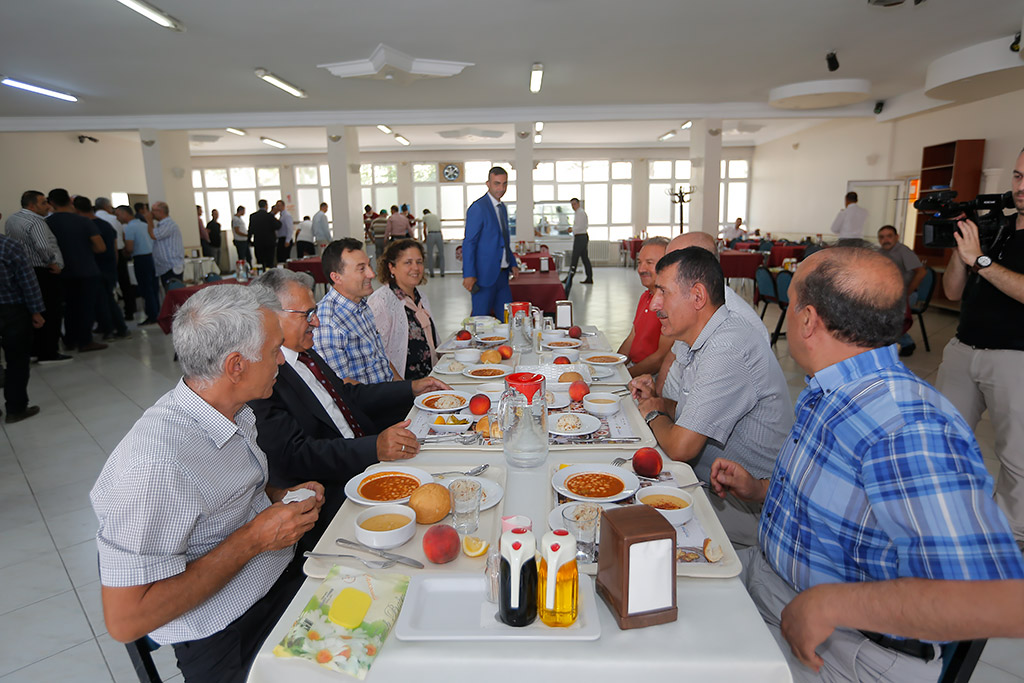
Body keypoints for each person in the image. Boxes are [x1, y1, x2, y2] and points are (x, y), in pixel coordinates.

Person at [710, 247, 1024, 681]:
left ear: (807, 320)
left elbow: (993, 600)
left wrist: (831, 604)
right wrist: (762, 490)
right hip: (774, 584)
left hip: (846, 646)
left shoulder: (906, 426)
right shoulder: (833, 388)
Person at [91, 284, 325, 683]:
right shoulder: (156, 466)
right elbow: (124, 621)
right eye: (273, 353)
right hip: (230, 636)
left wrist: (276, 498)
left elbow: (222, 501)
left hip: (281, 583)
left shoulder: (233, 411)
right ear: (236, 366)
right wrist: (254, 538)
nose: (281, 363)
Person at [248, 269, 446, 530]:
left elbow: (346, 396)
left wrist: (411, 388)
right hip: (334, 488)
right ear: (271, 316)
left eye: (314, 311)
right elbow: (295, 454)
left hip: (368, 457)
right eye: (307, 314)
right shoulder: (265, 377)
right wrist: (373, 448)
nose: (317, 322)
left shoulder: (306, 355)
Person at [631, 247, 791, 546]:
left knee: (632, 516)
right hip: (711, 485)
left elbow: (681, 447)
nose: (654, 304)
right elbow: (693, 410)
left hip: (749, 506)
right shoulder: (702, 336)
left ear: (698, 296)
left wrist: (653, 413)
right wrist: (660, 402)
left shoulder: (727, 347)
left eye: (663, 292)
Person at [937, 147, 1024, 551]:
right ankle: (944, 522)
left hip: (1014, 358)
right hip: (963, 349)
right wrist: (963, 252)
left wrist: (982, 261)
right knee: (940, 443)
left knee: (1017, 462)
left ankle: (1005, 546)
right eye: (1019, 177)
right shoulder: (1000, 227)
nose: (1022, 187)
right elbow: (952, 291)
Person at [654, 231, 770, 396]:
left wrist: (656, 412)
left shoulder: (734, 329)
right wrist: (656, 397)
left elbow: (697, 417)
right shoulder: (687, 308)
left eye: (673, 260)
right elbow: (672, 358)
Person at [313, 238, 399, 384]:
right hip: (371, 404)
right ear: (336, 277)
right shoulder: (328, 323)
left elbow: (381, 359)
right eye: (361, 269)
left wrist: (404, 389)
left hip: (389, 394)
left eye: (369, 266)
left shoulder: (361, 305)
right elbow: (344, 387)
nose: (372, 274)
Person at [5, 190, 70, 364]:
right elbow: (42, 246)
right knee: (51, 311)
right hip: (43, 270)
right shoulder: (37, 221)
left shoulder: (12, 219)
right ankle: (49, 352)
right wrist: (52, 263)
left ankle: (35, 349)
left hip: (24, 270)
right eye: (43, 203)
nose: (48, 206)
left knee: (34, 312)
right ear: (32, 205)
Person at [45, 188, 107, 352]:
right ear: (70, 201)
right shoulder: (83, 221)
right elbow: (100, 247)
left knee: (69, 308)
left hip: (62, 272)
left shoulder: (47, 223)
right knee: (86, 307)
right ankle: (85, 341)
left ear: (51, 203)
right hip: (87, 270)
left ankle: (70, 340)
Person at [367, 239, 438, 380]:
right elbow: (376, 353)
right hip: (404, 386)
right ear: (391, 267)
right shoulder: (381, 301)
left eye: (419, 262)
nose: (416, 268)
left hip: (430, 377)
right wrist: (402, 387)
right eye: (408, 262)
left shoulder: (420, 297)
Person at [0, 231, 46, 422]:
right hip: (12, 310)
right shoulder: (9, 246)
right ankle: (16, 409)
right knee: (17, 360)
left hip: (11, 310)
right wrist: (36, 311)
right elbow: (28, 281)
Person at [462, 166, 519, 317]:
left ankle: (506, 342)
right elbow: (469, 242)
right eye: (497, 183)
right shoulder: (478, 207)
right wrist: (468, 274)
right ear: (488, 183)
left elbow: (504, 240)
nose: (501, 188)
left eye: (504, 183)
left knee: (508, 319)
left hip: (502, 275)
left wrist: (513, 263)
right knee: (481, 320)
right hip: (483, 276)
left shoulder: (502, 208)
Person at [73, 196, 129, 342]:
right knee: (106, 298)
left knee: (104, 300)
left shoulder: (87, 225)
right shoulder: (105, 224)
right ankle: (111, 327)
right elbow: (115, 248)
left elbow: (98, 248)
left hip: (98, 268)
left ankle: (115, 329)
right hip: (109, 266)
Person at [617, 236, 674, 378]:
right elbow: (632, 337)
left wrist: (623, 377)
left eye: (649, 263)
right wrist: (614, 366)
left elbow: (660, 359)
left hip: (651, 376)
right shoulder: (645, 296)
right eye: (639, 262)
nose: (641, 269)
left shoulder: (671, 305)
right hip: (633, 368)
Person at [877, 224, 925, 357]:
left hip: (907, 294)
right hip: (889, 295)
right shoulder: (880, 253)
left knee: (886, 314)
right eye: (882, 237)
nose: (885, 240)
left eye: (889, 236)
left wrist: (907, 293)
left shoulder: (903, 251)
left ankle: (906, 343)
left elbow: (921, 272)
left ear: (896, 237)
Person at [118, 205, 160, 325]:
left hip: (141, 259)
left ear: (125, 214)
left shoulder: (130, 228)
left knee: (146, 288)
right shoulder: (144, 224)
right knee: (153, 287)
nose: (117, 217)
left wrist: (124, 252)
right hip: (152, 257)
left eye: (118, 214)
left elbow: (130, 248)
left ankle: (152, 315)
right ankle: (156, 312)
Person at [96, 196, 136, 321]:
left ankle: (108, 317)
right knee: (125, 284)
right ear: (107, 207)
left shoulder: (95, 219)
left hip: (101, 256)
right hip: (119, 252)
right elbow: (122, 237)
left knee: (106, 287)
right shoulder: (115, 219)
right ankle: (129, 311)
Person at [148, 201, 184, 289]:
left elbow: (153, 235)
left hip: (171, 266)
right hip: (165, 267)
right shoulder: (161, 225)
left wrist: (149, 220)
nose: (151, 213)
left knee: (174, 294)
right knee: (169, 294)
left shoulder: (169, 225)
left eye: (153, 211)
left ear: (160, 212)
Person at [567, 198, 594, 284]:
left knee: (575, 258)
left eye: (574, 204)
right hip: (581, 237)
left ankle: (569, 278)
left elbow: (581, 227)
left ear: (578, 204)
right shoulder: (578, 213)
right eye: (571, 205)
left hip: (580, 237)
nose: (573, 206)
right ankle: (589, 278)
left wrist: (572, 229)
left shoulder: (580, 213)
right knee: (585, 258)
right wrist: (573, 229)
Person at [249, 199, 280, 268]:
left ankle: (261, 276)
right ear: (266, 206)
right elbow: (278, 225)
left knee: (260, 262)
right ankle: (270, 277)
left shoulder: (253, 216)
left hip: (258, 242)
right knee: (270, 262)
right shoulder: (269, 216)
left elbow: (251, 229)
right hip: (269, 242)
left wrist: (249, 240)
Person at [421, 208, 445, 277]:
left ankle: (431, 272)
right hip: (439, 234)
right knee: (441, 254)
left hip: (431, 234)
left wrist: (425, 238)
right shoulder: (436, 216)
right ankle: (442, 272)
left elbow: (424, 229)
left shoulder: (425, 217)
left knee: (430, 254)